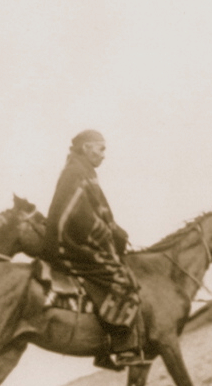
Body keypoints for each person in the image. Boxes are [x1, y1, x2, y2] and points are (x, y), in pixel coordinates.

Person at [45, 129, 145, 368]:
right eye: (101, 148)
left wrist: (115, 229)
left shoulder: (83, 171)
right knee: (120, 279)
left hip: (78, 240)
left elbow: (96, 211)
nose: (103, 154)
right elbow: (77, 216)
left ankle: (104, 343)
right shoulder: (75, 172)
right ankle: (122, 348)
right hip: (71, 245)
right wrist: (108, 232)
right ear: (86, 148)